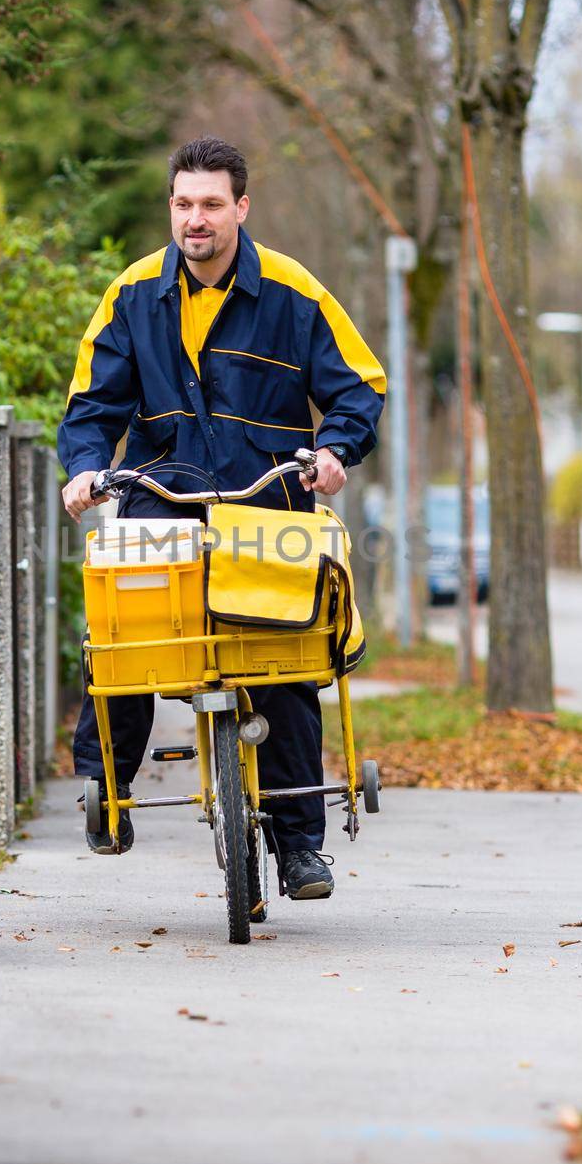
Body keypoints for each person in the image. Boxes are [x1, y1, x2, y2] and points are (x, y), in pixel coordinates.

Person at [58, 135, 386, 900]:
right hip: (161, 492)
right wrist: (83, 470)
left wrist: (335, 450)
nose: (194, 219)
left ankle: (300, 846)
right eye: (182, 204)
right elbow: (91, 403)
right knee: (124, 634)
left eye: (210, 204)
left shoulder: (292, 291)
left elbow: (358, 387)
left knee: (288, 665)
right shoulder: (133, 293)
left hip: (265, 501)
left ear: (241, 206)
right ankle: (106, 789)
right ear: (169, 207)